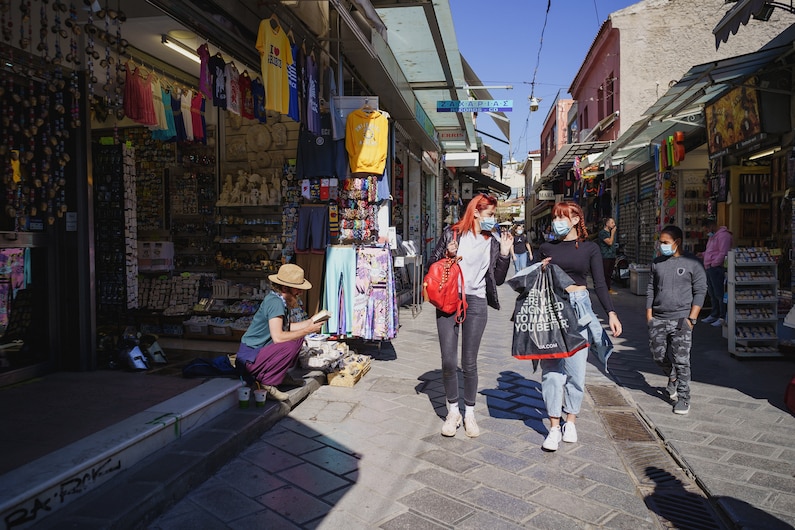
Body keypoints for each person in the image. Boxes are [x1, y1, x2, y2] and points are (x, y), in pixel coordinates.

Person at [537, 201, 622, 451]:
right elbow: (531, 281)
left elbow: (600, 284)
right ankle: (554, 426)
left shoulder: (590, 248)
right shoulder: (545, 247)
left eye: (563, 217)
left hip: (580, 308)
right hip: (552, 308)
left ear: (576, 220)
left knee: (576, 370)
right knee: (552, 371)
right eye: (555, 217)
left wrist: (612, 313)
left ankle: (570, 420)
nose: (557, 222)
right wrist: (539, 270)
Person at [429, 193, 512, 438]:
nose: (492, 220)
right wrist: (447, 255)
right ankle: (453, 411)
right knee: (447, 360)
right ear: (475, 212)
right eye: (489, 215)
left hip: (476, 303)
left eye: (494, 215)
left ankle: (469, 413)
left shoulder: (493, 242)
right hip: (448, 299)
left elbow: (497, 279)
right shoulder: (452, 234)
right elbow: (432, 263)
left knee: (469, 362)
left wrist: (505, 255)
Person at [235, 264, 325, 401]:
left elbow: (287, 328)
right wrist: (307, 330)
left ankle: (280, 376)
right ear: (284, 288)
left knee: (298, 338)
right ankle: (267, 384)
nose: (299, 293)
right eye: (297, 289)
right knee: (290, 344)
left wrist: (310, 322)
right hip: (250, 358)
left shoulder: (280, 301)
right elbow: (278, 337)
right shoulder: (275, 303)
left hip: (257, 354)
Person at [647, 225, 707, 415]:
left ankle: (683, 397)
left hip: (682, 319)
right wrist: (649, 314)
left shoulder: (693, 263)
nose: (661, 246)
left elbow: (700, 291)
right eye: (660, 242)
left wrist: (692, 318)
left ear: (677, 242)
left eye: (665, 242)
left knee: (682, 360)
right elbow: (651, 288)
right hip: (658, 318)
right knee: (657, 356)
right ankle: (671, 376)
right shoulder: (657, 263)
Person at [699, 218, 733, 327]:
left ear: (712, 226)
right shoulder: (713, 236)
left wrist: (714, 263)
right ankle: (714, 314)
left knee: (719, 293)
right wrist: (704, 255)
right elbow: (712, 251)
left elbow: (723, 252)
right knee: (712, 292)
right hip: (709, 267)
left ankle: (722, 316)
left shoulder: (724, 236)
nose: (707, 232)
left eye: (707, 229)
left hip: (716, 268)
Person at [597, 217, 618, 294]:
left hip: (611, 256)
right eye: (612, 223)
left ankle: (608, 288)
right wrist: (612, 233)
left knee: (609, 273)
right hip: (605, 256)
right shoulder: (603, 233)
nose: (614, 224)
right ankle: (604, 289)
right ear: (607, 224)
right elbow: (609, 242)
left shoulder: (609, 233)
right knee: (605, 273)